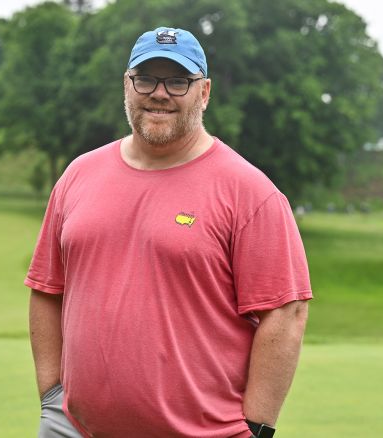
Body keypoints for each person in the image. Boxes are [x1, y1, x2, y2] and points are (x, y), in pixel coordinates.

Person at [25, 27, 312, 438]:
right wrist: (52, 398)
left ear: (205, 92)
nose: (160, 93)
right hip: (74, 429)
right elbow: (47, 288)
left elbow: (286, 312)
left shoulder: (250, 192)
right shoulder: (78, 175)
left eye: (179, 81)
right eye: (146, 78)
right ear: (127, 85)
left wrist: (256, 428)